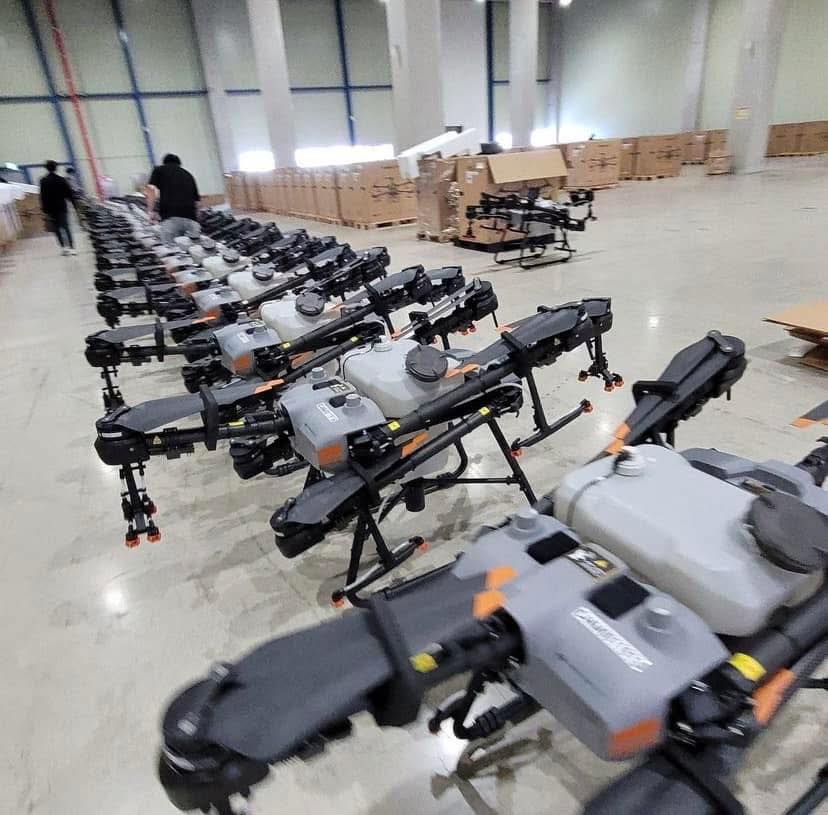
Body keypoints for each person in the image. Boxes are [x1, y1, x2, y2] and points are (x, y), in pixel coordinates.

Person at [145, 153, 201, 245]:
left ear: (164, 163)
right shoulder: (188, 175)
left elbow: (151, 190)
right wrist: (196, 221)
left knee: (171, 250)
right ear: (179, 164)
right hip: (191, 220)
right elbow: (197, 203)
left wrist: (150, 212)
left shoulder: (159, 170)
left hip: (171, 219)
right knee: (193, 250)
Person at [39, 160, 76, 255]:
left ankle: (64, 248)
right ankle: (72, 248)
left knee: (56, 229)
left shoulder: (43, 181)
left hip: (50, 209)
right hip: (62, 207)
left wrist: (44, 210)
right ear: (56, 168)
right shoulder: (61, 180)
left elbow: (42, 196)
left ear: (46, 168)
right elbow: (69, 194)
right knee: (66, 227)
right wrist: (74, 205)